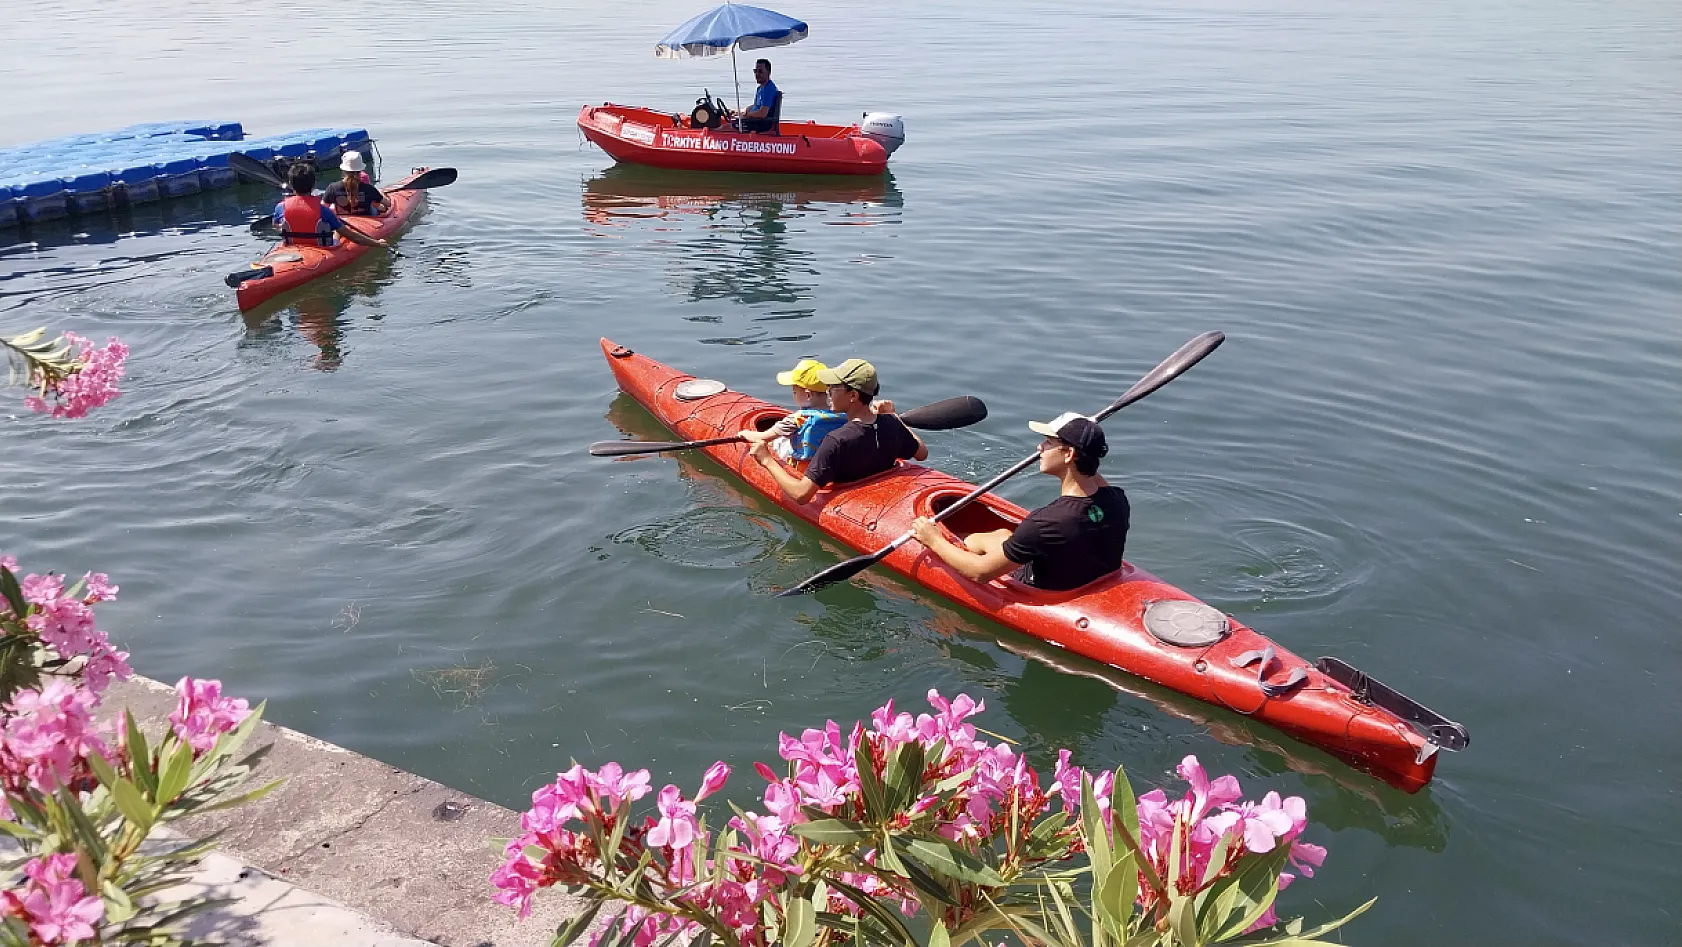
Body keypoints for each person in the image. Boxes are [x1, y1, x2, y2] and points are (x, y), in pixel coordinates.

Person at [909, 413, 1129, 591]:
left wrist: (934, 540)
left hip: (1041, 586)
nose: (1039, 448)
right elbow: (1091, 475)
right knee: (1000, 535)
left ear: (1068, 453)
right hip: (1088, 575)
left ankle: (955, 545)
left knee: (971, 541)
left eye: (1048, 442)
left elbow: (980, 573)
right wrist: (1088, 440)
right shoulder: (1118, 500)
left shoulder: (1047, 522)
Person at [742, 358, 927, 504]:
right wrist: (894, 417)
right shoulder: (892, 424)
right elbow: (921, 453)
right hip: (878, 489)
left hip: (847, 497)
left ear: (853, 395)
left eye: (834, 387)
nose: (828, 392)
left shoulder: (836, 440)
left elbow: (801, 495)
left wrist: (766, 460)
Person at [739, 359, 848, 471]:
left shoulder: (796, 419)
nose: (793, 395)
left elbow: (762, 437)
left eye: (794, 392)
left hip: (803, 468)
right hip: (827, 466)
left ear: (808, 395)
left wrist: (744, 433)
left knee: (778, 440)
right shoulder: (841, 414)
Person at [274, 163, 388, 249]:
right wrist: (377, 243)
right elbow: (353, 237)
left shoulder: (280, 207)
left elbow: (276, 225)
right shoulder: (323, 211)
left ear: (291, 184)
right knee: (337, 230)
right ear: (313, 185)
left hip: (291, 246)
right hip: (324, 247)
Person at [322, 151, 387, 217]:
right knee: (378, 207)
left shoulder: (332, 188)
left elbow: (323, 207)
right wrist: (382, 194)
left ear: (344, 170)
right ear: (360, 171)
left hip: (342, 222)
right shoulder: (369, 189)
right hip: (367, 222)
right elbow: (387, 204)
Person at [738, 58, 780, 133]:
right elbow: (756, 106)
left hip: (760, 124)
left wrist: (748, 115)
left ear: (768, 73)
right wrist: (742, 111)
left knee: (726, 128)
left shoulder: (768, 89)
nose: (757, 74)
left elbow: (762, 113)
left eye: (760, 71)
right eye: (755, 71)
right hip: (754, 121)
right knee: (730, 124)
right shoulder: (760, 88)